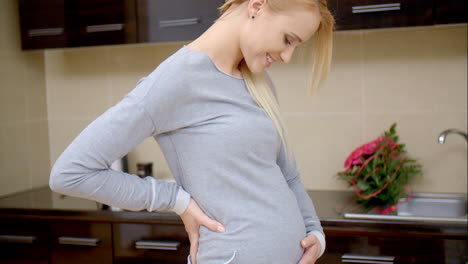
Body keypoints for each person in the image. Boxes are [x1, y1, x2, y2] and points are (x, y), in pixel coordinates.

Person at [49, 0, 335, 263]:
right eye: (288, 40)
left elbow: (288, 175)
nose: (287, 56)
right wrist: (175, 200)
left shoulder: (257, 80)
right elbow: (71, 173)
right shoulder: (175, 80)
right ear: (257, 7)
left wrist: (314, 233)